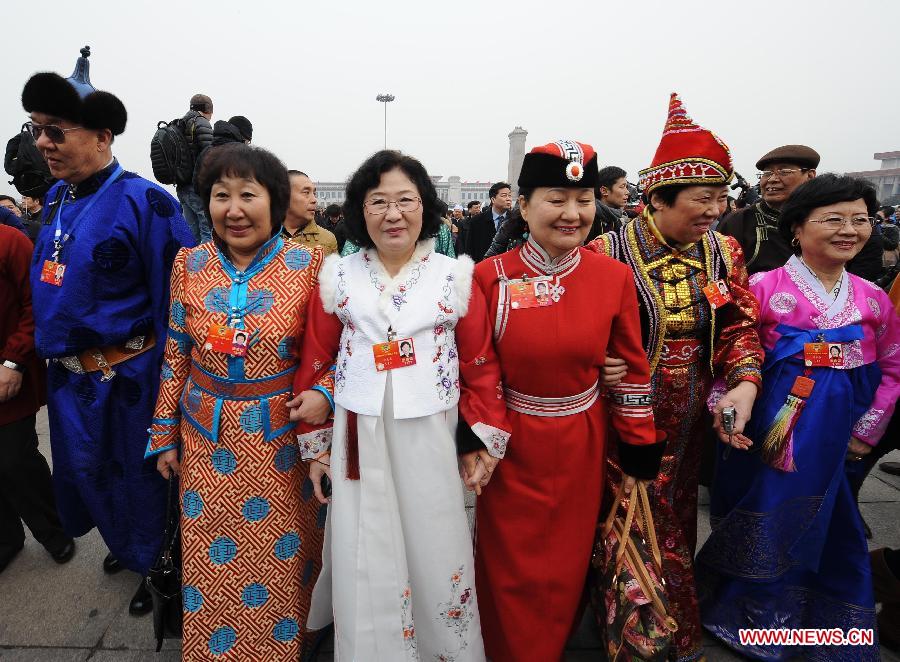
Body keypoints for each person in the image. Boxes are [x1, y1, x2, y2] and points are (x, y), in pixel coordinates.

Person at [292, 149, 511, 661]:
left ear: (426, 207)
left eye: (405, 200)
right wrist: (317, 449)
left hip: (430, 431)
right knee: (365, 546)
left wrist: (481, 439)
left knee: (436, 541)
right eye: (378, 202)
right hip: (357, 433)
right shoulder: (338, 275)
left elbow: (480, 365)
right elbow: (318, 360)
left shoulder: (456, 275)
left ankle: (443, 650)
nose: (393, 214)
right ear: (359, 211)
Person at [474, 140, 665, 662]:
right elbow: (475, 365)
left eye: (582, 200)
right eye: (556, 198)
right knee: (506, 564)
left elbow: (632, 370)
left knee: (566, 561)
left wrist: (637, 449)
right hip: (509, 445)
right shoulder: (489, 277)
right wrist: (481, 436)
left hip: (583, 440)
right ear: (523, 204)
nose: (572, 214)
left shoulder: (614, 276)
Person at [590, 93, 764, 662]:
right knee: (628, 511)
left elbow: (739, 323)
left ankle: (674, 624)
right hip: (623, 408)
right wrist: (598, 361)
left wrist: (744, 380)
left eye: (721, 197)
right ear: (659, 199)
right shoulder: (608, 252)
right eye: (702, 198)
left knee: (677, 508)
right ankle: (638, 638)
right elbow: (575, 330)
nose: (715, 209)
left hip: (692, 408)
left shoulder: (724, 252)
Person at [696, 174, 898, 661]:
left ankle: (824, 621)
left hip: (839, 435)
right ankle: (757, 620)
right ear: (798, 229)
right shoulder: (761, 289)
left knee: (832, 523)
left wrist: (867, 432)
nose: (849, 230)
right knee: (766, 517)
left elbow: (892, 366)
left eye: (860, 220)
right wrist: (724, 411)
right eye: (833, 219)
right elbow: (725, 355)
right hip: (771, 433)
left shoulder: (874, 297)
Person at [22, 56, 195, 614]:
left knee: (145, 481)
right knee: (89, 475)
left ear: (102, 135)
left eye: (55, 131)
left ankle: (161, 568)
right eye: (35, 129)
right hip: (70, 384)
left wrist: (175, 394)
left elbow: (178, 307)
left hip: (131, 380)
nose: (42, 143)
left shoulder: (148, 202)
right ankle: (129, 544)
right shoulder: (54, 199)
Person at [147, 143, 333, 660]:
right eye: (220, 195)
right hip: (206, 441)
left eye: (247, 194)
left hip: (280, 444)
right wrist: (163, 435)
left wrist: (324, 393)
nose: (233, 209)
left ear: (273, 202)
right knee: (212, 561)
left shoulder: (311, 265)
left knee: (281, 561)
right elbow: (175, 355)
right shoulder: (189, 263)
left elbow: (337, 353)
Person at [0, 225, 74, 574]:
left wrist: (14, 360)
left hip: (6, 374)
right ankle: (6, 538)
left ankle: (53, 530)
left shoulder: (10, 241)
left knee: (15, 460)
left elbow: (37, 304)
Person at [718, 145, 884, 280]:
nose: (772, 179)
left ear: (810, 176)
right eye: (767, 173)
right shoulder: (738, 221)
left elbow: (860, 280)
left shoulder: (846, 226)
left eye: (784, 171)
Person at [175, 94, 214, 244]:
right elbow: (210, 155)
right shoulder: (201, 123)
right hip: (195, 186)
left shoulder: (180, 123)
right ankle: (204, 266)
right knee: (207, 231)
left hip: (181, 185)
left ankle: (190, 266)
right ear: (207, 109)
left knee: (191, 234)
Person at [281, 170, 338, 255]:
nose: (314, 200)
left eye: (314, 193)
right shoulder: (263, 236)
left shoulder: (328, 239)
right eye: (306, 193)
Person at [458, 182, 513, 261]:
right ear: (493, 199)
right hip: (483, 266)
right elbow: (470, 248)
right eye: (504, 196)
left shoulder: (516, 220)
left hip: (508, 267)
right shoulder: (477, 221)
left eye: (509, 195)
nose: (508, 199)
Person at [592, 165, 630, 238]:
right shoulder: (589, 219)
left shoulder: (616, 219)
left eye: (626, 187)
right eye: (622, 187)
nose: (627, 192)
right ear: (604, 191)